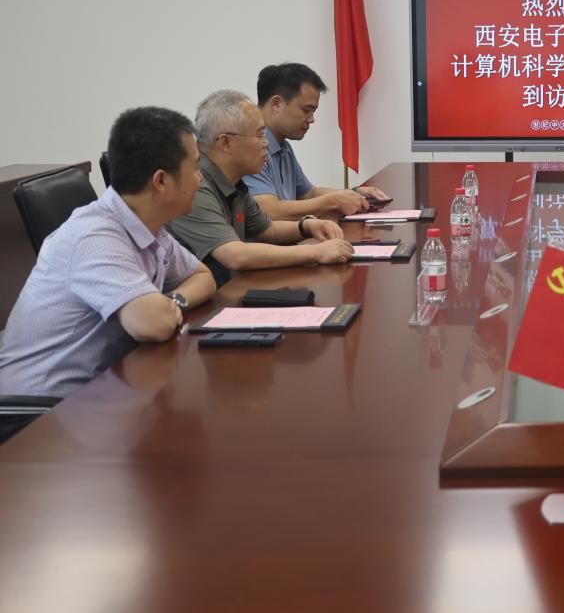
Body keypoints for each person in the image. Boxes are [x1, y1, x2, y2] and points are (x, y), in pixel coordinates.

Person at [0, 107, 217, 437]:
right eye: (196, 168)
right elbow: (153, 324)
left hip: (100, 397)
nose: (201, 179)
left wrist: (172, 301)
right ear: (161, 181)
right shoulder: (95, 237)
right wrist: (162, 310)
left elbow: (203, 278)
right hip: (38, 417)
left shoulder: (147, 225)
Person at [167, 90, 354, 287]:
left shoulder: (233, 181)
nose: (266, 144)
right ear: (226, 143)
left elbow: (267, 229)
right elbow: (235, 255)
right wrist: (316, 252)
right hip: (194, 302)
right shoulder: (195, 185)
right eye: (260, 135)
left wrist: (306, 226)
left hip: (228, 290)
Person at [244, 62, 389, 220]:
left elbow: (308, 193)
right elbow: (269, 212)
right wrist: (332, 201)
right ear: (276, 104)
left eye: (313, 111)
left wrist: (355, 194)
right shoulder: (249, 146)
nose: (311, 119)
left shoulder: (282, 146)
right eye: (306, 110)